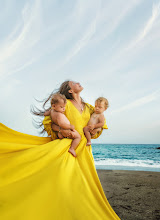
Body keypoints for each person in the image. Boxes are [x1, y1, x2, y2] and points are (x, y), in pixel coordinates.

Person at [0, 80, 120, 220]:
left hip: (85, 152)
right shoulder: (65, 105)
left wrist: (96, 131)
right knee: (66, 184)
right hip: (67, 148)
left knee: (84, 189)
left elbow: (100, 124)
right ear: (70, 91)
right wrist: (60, 131)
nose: (78, 82)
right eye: (74, 83)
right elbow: (49, 122)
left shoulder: (89, 108)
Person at [44, 93, 81, 157]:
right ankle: (72, 149)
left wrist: (45, 114)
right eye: (61, 107)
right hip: (66, 130)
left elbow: (46, 113)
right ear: (54, 106)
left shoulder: (52, 111)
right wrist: (70, 126)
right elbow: (62, 124)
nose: (64, 109)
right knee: (78, 137)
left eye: (64, 107)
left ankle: (61, 137)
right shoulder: (59, 115)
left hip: (60, 131)